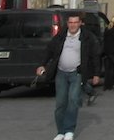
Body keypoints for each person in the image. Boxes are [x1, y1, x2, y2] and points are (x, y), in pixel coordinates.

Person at [35, 11, 102, 140]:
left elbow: (95, 56)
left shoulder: (87, 37)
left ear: (80, 23)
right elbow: (49, 50)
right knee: (60, 103)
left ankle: (69, 130)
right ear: (67, 23)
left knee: (73, 101)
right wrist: (42, 64)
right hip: (61, 73)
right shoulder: (61, 36)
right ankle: (60, 132)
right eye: (70, 22)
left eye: (75, 22)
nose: (72, 25)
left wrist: (96, 74)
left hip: (77, 74)